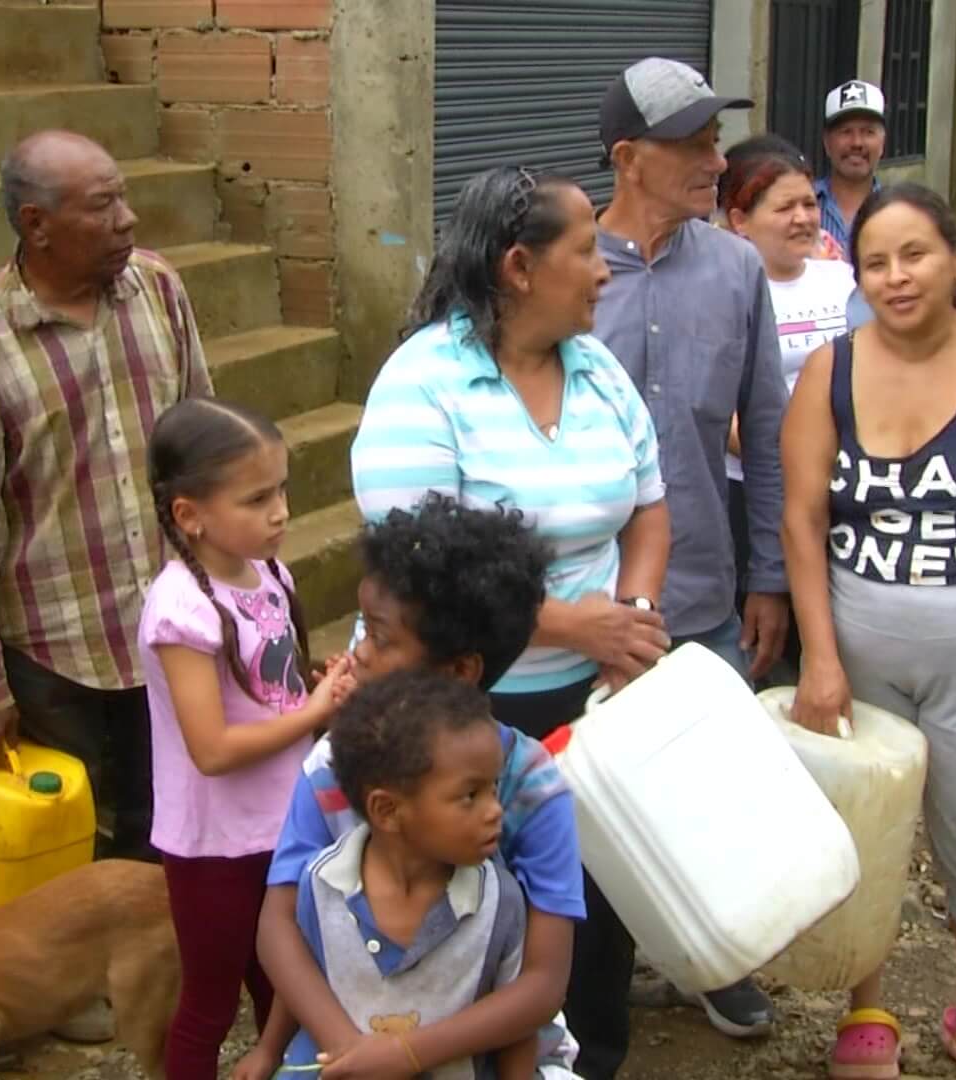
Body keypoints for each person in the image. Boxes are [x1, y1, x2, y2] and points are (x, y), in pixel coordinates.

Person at [350, 164, 670, 1078]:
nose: (607, 270)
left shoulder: (597, 368)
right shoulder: (424, 385)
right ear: (521, 268)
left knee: (591, 900)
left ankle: (589, 1059)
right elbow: (424, 579)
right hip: (463, 703)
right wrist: (581, 627)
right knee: (470, 897)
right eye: (587, 251)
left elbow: (650, 505)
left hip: (595, 697)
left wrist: (634, 619)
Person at [783, 182, 956, 1080]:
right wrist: (820, 660)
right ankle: (866, 1010)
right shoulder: (830, 370)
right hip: (861, 650)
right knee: (865, 841)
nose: (897, 277)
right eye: (876, 262)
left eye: (915, 255)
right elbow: (799, 519)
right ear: (855, 275)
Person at [0, 129, 213, 867]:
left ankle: (156, 971)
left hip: (166, 628)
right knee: (70, 847)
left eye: (124, 197)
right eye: (103, 205)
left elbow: (206, 448)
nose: (128, 220)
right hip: (58, 654)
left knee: (167, 829)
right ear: (36, 224)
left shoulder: (158, 291)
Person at [593, 56, 787, 1041]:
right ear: (628, 158)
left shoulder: (738, 269)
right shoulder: (563, 273)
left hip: (709, 587)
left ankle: (719, 958)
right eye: (694, 144)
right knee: (599, 805)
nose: (718, 160)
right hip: (592, 604)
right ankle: (603, 971)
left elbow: (768, 428)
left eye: (718, 139)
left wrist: (772, 579)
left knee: (714, 795)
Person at [259, 493, 583, 1078]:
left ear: (460, 671)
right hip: (347, 1035)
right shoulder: (333, 769)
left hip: (488, 1045)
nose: (357, 651)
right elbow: (279, 925)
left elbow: (541, 984)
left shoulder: (534, 788)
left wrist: (406, 1055)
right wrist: (352, 1052)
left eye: (380, 637)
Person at [139, 396, 354, 1080]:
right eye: (257, 498)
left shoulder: (270, 574)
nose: (281, 511)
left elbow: (271, 692)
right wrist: (313, 709)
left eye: (282, 490)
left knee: (285, 988)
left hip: (284, 823)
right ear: (190, 515)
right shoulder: (182, 610)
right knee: (209, 1004)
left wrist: (315, 690)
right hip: (216, 843)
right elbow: (212, 750)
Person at [279, 670, 550, 1080]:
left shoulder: (500, 901)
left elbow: (518, 1028)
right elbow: (304, 975)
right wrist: (267, 1051)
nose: (495, 810)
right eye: (470, 795)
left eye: (493, 788)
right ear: (387, 811)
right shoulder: (320, 885)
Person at [719, 134, 857, 671]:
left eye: (809, 204)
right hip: (751, 493)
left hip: (840, 489)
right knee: (764, 641)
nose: (804, 218)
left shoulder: (841, 279)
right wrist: (795, 456)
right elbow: (724, 410)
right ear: (739, 219)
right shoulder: (726, 291)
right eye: (785, 207)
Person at [815, 80, 886, 261]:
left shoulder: (898, 209)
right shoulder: (802, 206)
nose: (857, 143)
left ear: (883, 142)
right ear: (827, 143)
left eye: (868, 132)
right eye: (846, 132)